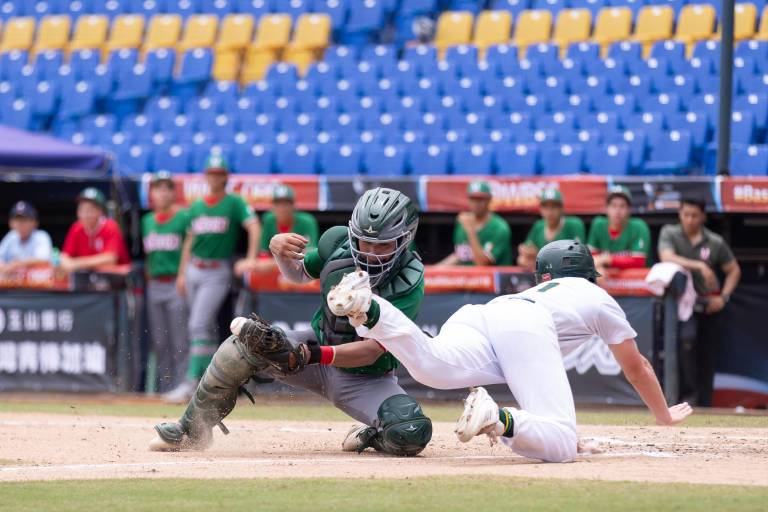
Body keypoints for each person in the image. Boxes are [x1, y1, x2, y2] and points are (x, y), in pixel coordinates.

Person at [248, 240, 692, 462]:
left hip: (487, 313)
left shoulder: (543, 290)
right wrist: (663, 415)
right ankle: (498, 418)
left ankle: (370, 307)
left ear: (546, 274)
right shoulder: (598, 297)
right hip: (523, 327)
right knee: (560, 445)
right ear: (588, 274)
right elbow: (636, 367)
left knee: (432, 368)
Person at [149, 188, 433, 457]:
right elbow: (297, 275)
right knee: (242, 346)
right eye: (364, 241)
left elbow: (372, 349)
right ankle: (191, 430)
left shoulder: (409, 280)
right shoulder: (337, 245)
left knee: (411, 431)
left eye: (381, 245)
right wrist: (278, 251)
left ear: (404, 240)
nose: (370, 251)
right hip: (318, 344)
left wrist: (313, 355)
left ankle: (369, 434)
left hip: (367, 379)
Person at [162, 153, 261, 404]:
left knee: (198, 324)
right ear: (206, 176)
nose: (215, 177)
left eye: (219, 173)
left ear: (225, 177)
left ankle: (192, 382)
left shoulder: (234, 202)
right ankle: (211, 382)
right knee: (200, 328)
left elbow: (254, 226)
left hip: (217, 270)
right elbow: (189, 240)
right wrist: (182, 272)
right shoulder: (196, 205)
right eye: (212, 173)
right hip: (195, 268)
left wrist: (250, 258)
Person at [658, 197, 741, 407]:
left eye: (695, 215)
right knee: (686, 347)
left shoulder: (714, 241)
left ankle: (704, 406)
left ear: (703, 216)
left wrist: (723, 297)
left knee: (707, 356)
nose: (690, 220)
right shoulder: (670, 232)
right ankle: (688, 400)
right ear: (680, 214)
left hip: (709, 304)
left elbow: (734, 271)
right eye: (686, 215)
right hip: (682, 306)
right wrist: (700, 266)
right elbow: (666, 256)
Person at [142, 171, 190, 392]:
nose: (162, 193)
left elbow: (191, 245)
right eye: (158, 188)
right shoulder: (147, 220)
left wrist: (183, 274)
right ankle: (164, 387)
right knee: (160, 342)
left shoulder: (183, 217)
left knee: (179, 340)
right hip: (155, 284)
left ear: (173, 193)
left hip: (175, 283)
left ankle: (182, 387)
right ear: (151, 193)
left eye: (166, 188)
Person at [438, 180, 512, 266]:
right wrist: (433, 271)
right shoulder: (462, 224)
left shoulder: (499, 227)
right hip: (466, 278)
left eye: (480, 199)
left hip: (494, 278)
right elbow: (460, 256)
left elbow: (482, 264)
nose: (476, 203)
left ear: (489, 200)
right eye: (472, 199)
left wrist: (470, 230)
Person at [250, 184, 319, 273]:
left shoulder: (307, 221)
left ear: (294, 205)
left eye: (286, 204)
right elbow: (264, 255)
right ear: (273, 206)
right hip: (273, 272)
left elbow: (309, 257)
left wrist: (274, 263)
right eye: (278, 204)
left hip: (299, 271)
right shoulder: (268, 219)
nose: (282, 208)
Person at [60, 187, 131, 273]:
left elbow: (110, 259)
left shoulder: (110, 227)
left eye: (90, 209)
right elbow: (64, 258)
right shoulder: (76, 228)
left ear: (100, 211)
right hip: (87, 279)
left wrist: (76, 263)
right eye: (82, 209)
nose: (85, 214)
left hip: (115, 280)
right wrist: (67, 263)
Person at [588, 186, 651, 275]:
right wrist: (598, 267)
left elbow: (638, 261)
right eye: (613, 205)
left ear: (629, 210)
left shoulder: (639, 226)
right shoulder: (598, 224)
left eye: (622, 206)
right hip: (606, 278)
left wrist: (607, 259)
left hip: (636, 280)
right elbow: (591, 259)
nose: (618, 210)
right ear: (606, 209)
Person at [517, 189, 585, 271]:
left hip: (568, 273)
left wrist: (542, 258)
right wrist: (525, 251)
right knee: (523, 260)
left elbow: (578, 256)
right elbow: (527, 249)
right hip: (543, 271)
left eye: (554, 207)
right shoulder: (538, 226)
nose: (549, 212)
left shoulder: (574, 225)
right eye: (545, 207)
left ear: (562, 208)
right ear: (540, 209)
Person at [0, 201, 52, 276]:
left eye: (24, 219)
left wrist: (17, 264)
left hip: (37, 284)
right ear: (11, 223)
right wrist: (4, 267)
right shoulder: (11, 237)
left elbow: (44, 259)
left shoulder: (41, 236)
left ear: (34, 222)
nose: (20, 223)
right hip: (13, 284)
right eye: (17, 220)